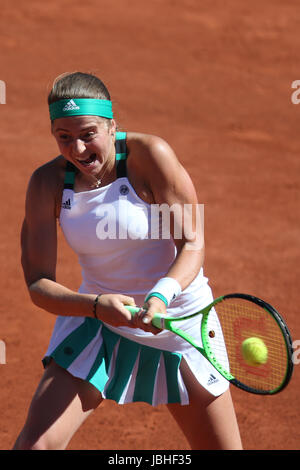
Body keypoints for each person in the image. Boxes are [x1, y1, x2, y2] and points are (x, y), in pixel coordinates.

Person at [13, 72, 242, 450]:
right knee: (35, 446)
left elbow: (192, 242)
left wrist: (160, 297)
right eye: (64, 137)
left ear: (112, 125)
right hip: (99, 325)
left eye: (89, 134)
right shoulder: (46, 183)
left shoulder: (151, 156)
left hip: (180, 322)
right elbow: (38, 283)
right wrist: (97, 307)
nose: (78, 149)